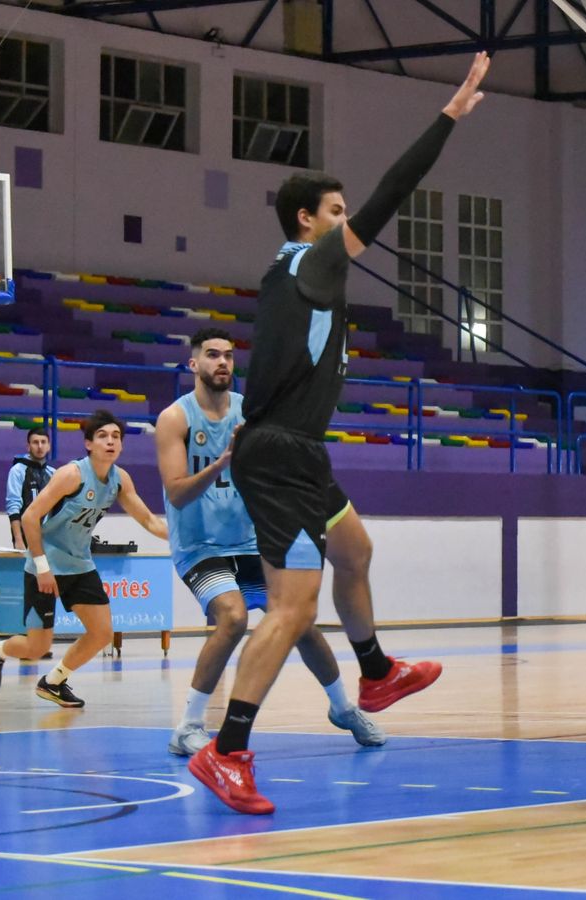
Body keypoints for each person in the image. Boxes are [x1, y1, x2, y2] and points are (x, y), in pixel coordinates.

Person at [188, 52, 490, 815]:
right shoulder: (308, 267)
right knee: (290, 610)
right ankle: (226, 752)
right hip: (281, 452)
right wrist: (448, 118)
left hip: (299, 453)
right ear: (308, 220)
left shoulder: (305, 279)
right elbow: (392, 195)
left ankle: (376, 669)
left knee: (356, 549)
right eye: (334, 211)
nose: (344, 221)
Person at [156, 327, 385, 756]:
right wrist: (225, 461)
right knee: (233, 618)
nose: (222, 362)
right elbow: (176, 492)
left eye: (227, 355)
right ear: (194, 364)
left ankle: (342, 708)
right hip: (199, 547)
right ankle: (188, 725)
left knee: (298, 620)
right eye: (211, 355)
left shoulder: (251, 412)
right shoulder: (176, 419)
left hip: (249, 540)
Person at [0, 409, 168, 707]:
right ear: (88, 444)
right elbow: (30, 518)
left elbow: (148, 520)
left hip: (80, 564)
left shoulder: (120, 480)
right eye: (103, 436)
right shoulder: (72, 475)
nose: (111, 442)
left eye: (116, 437)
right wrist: (42, 567)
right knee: (36, 646)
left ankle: (53, 681)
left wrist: (182, 538)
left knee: (102, 632)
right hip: (45, 566)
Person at [6, 427, 56, 549]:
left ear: (49, 446)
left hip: (50, 538)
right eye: (35, 442)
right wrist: (18, 539)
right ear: (28, 447)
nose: (40, 446)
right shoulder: (17, 471)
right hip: (26, 535)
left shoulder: (54, 474)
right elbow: (13, 506)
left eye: (43, 442)